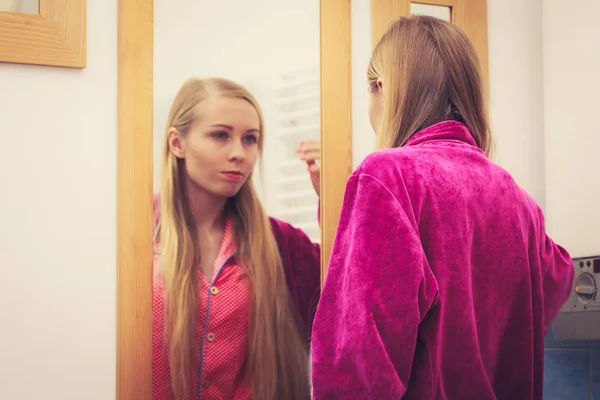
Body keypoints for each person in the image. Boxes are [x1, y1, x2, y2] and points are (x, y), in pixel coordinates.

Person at [310, 15, 574, 400]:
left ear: (382, 89)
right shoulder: (520, 203)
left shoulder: (388, 177)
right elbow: (559, 275)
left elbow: (358, 364)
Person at [152, 77, 321, 400]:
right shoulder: (131, 234)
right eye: (220, 135)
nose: (239, 153)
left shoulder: (279, 243)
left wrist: (330, 197)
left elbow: (349, 297)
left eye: (250, 139)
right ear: (177, 143)